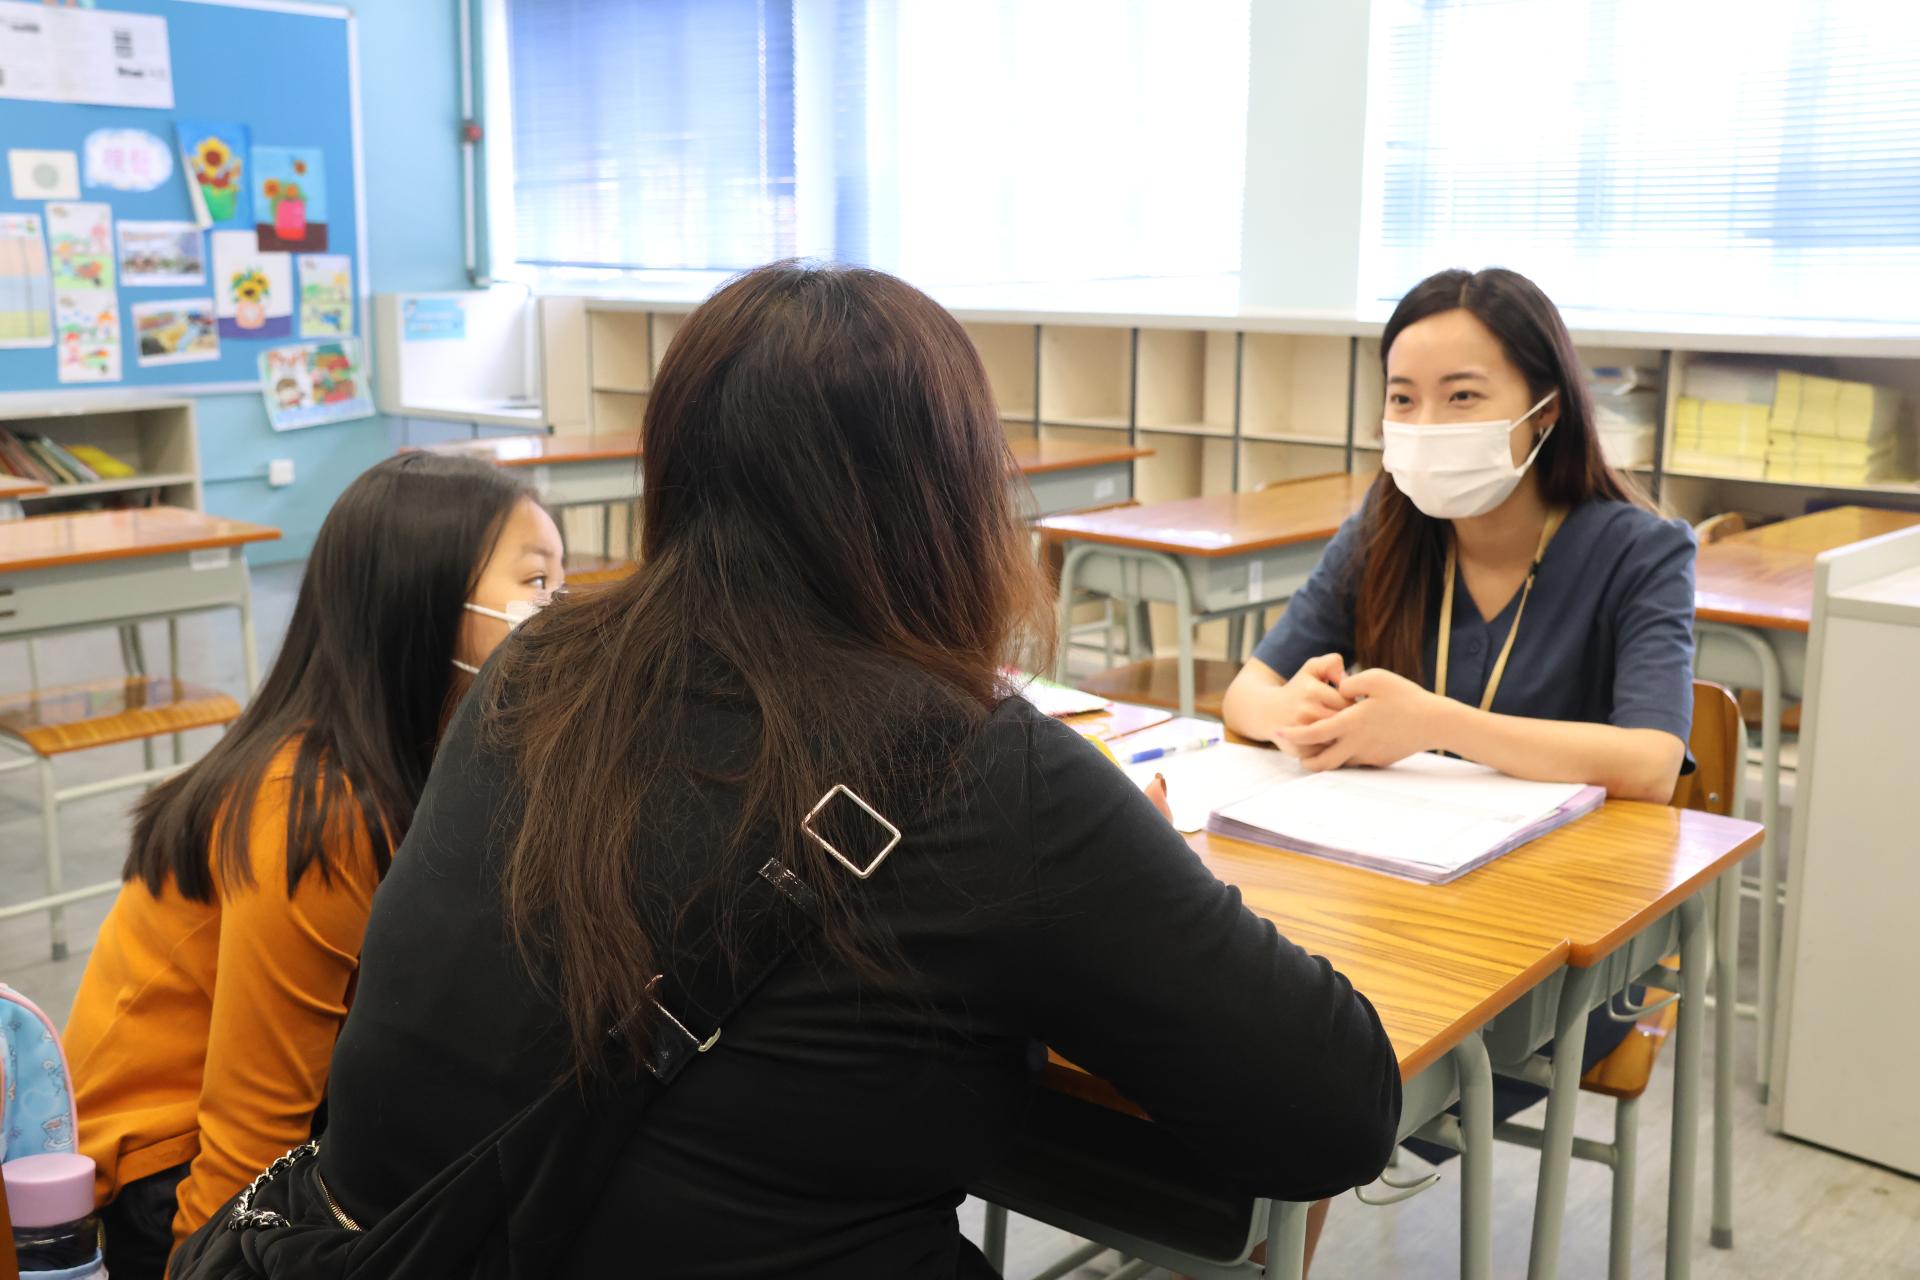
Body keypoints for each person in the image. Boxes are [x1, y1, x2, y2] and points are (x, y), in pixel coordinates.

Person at [308, 262, 1402, 1278]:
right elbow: (1337, 1111)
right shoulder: (987, 769)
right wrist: (1149, 870)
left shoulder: (537, 663)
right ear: (951, 496)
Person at [1222, 266, 1697, 1240]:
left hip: (1561, 954)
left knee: (1299, 1079)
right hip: (1385, 906)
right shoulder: (1386, 528)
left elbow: (1654, 760)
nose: (1426, 423)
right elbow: (1246, 690)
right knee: (1243, 1032)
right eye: (1403, 398)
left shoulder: (1641, 549)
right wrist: (1289, 713)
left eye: (1463, 396)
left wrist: (1434, 721)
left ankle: (1255, 1234)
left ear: (1545, 412)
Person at [65, 452, 565, 1278]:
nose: (557, 614)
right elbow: (249, 1129)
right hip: (164, 1175)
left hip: (298, 1128)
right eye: (537, 583)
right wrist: (207, 1265)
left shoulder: (424, 760)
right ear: (423, 599)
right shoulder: (318, 814)